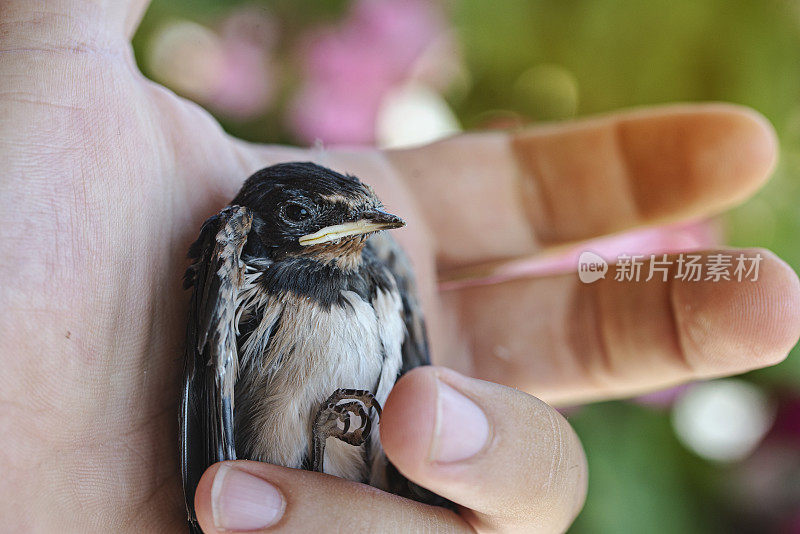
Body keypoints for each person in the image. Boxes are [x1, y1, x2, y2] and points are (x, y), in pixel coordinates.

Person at [2, 1, 799, 532]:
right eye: (314, 219)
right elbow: (212, 408)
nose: (350, 237)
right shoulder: (240, 262)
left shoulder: (383, 286)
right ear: (257, 227)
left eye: (358, 223)